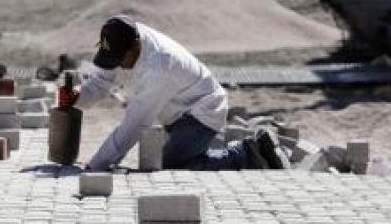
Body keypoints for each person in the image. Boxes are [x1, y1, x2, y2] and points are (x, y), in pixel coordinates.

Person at [69, 16, 289, 172]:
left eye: (119, 59)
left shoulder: (161, 64)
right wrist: (78, 96)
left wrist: (96, 165)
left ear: (136, 46)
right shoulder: (124, 38)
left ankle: (250, 151)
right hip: (176, 114)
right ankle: (210, 148)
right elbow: (100, 81)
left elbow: (136, 124)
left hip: (202, 111)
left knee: (173, 165)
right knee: (172, 157)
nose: (115, 64)